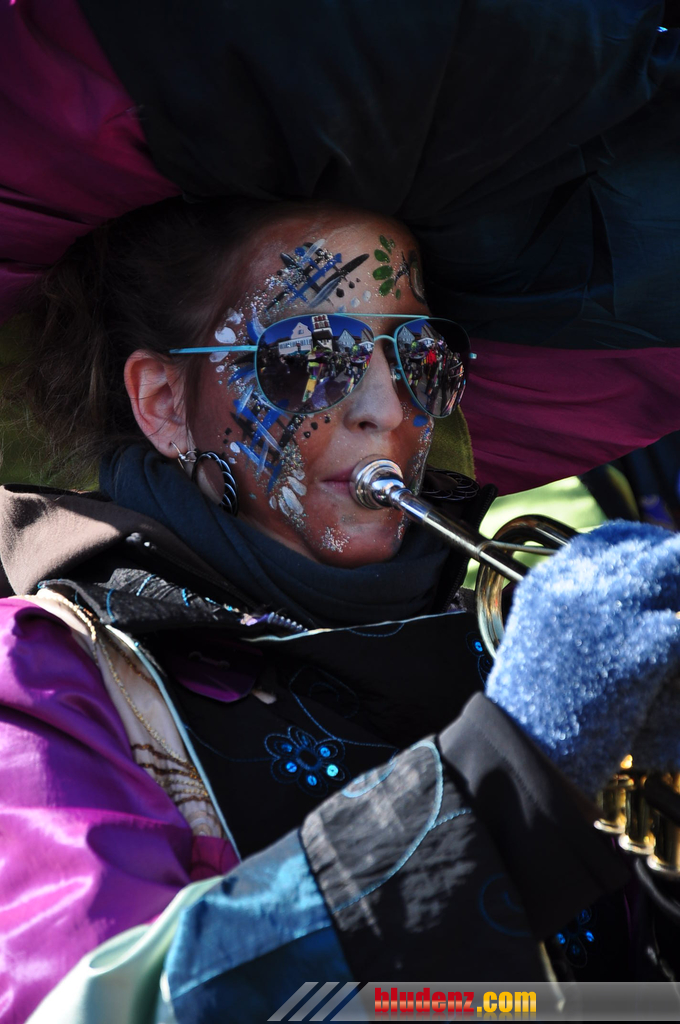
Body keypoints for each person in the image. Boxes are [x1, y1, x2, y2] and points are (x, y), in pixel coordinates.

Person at [1, 196, 680, 1024]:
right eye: (313, 356)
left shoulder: (506, 642)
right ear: (166, 403)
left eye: (421, 357)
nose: (389, 410)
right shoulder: (43, 680)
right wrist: (509, 782)